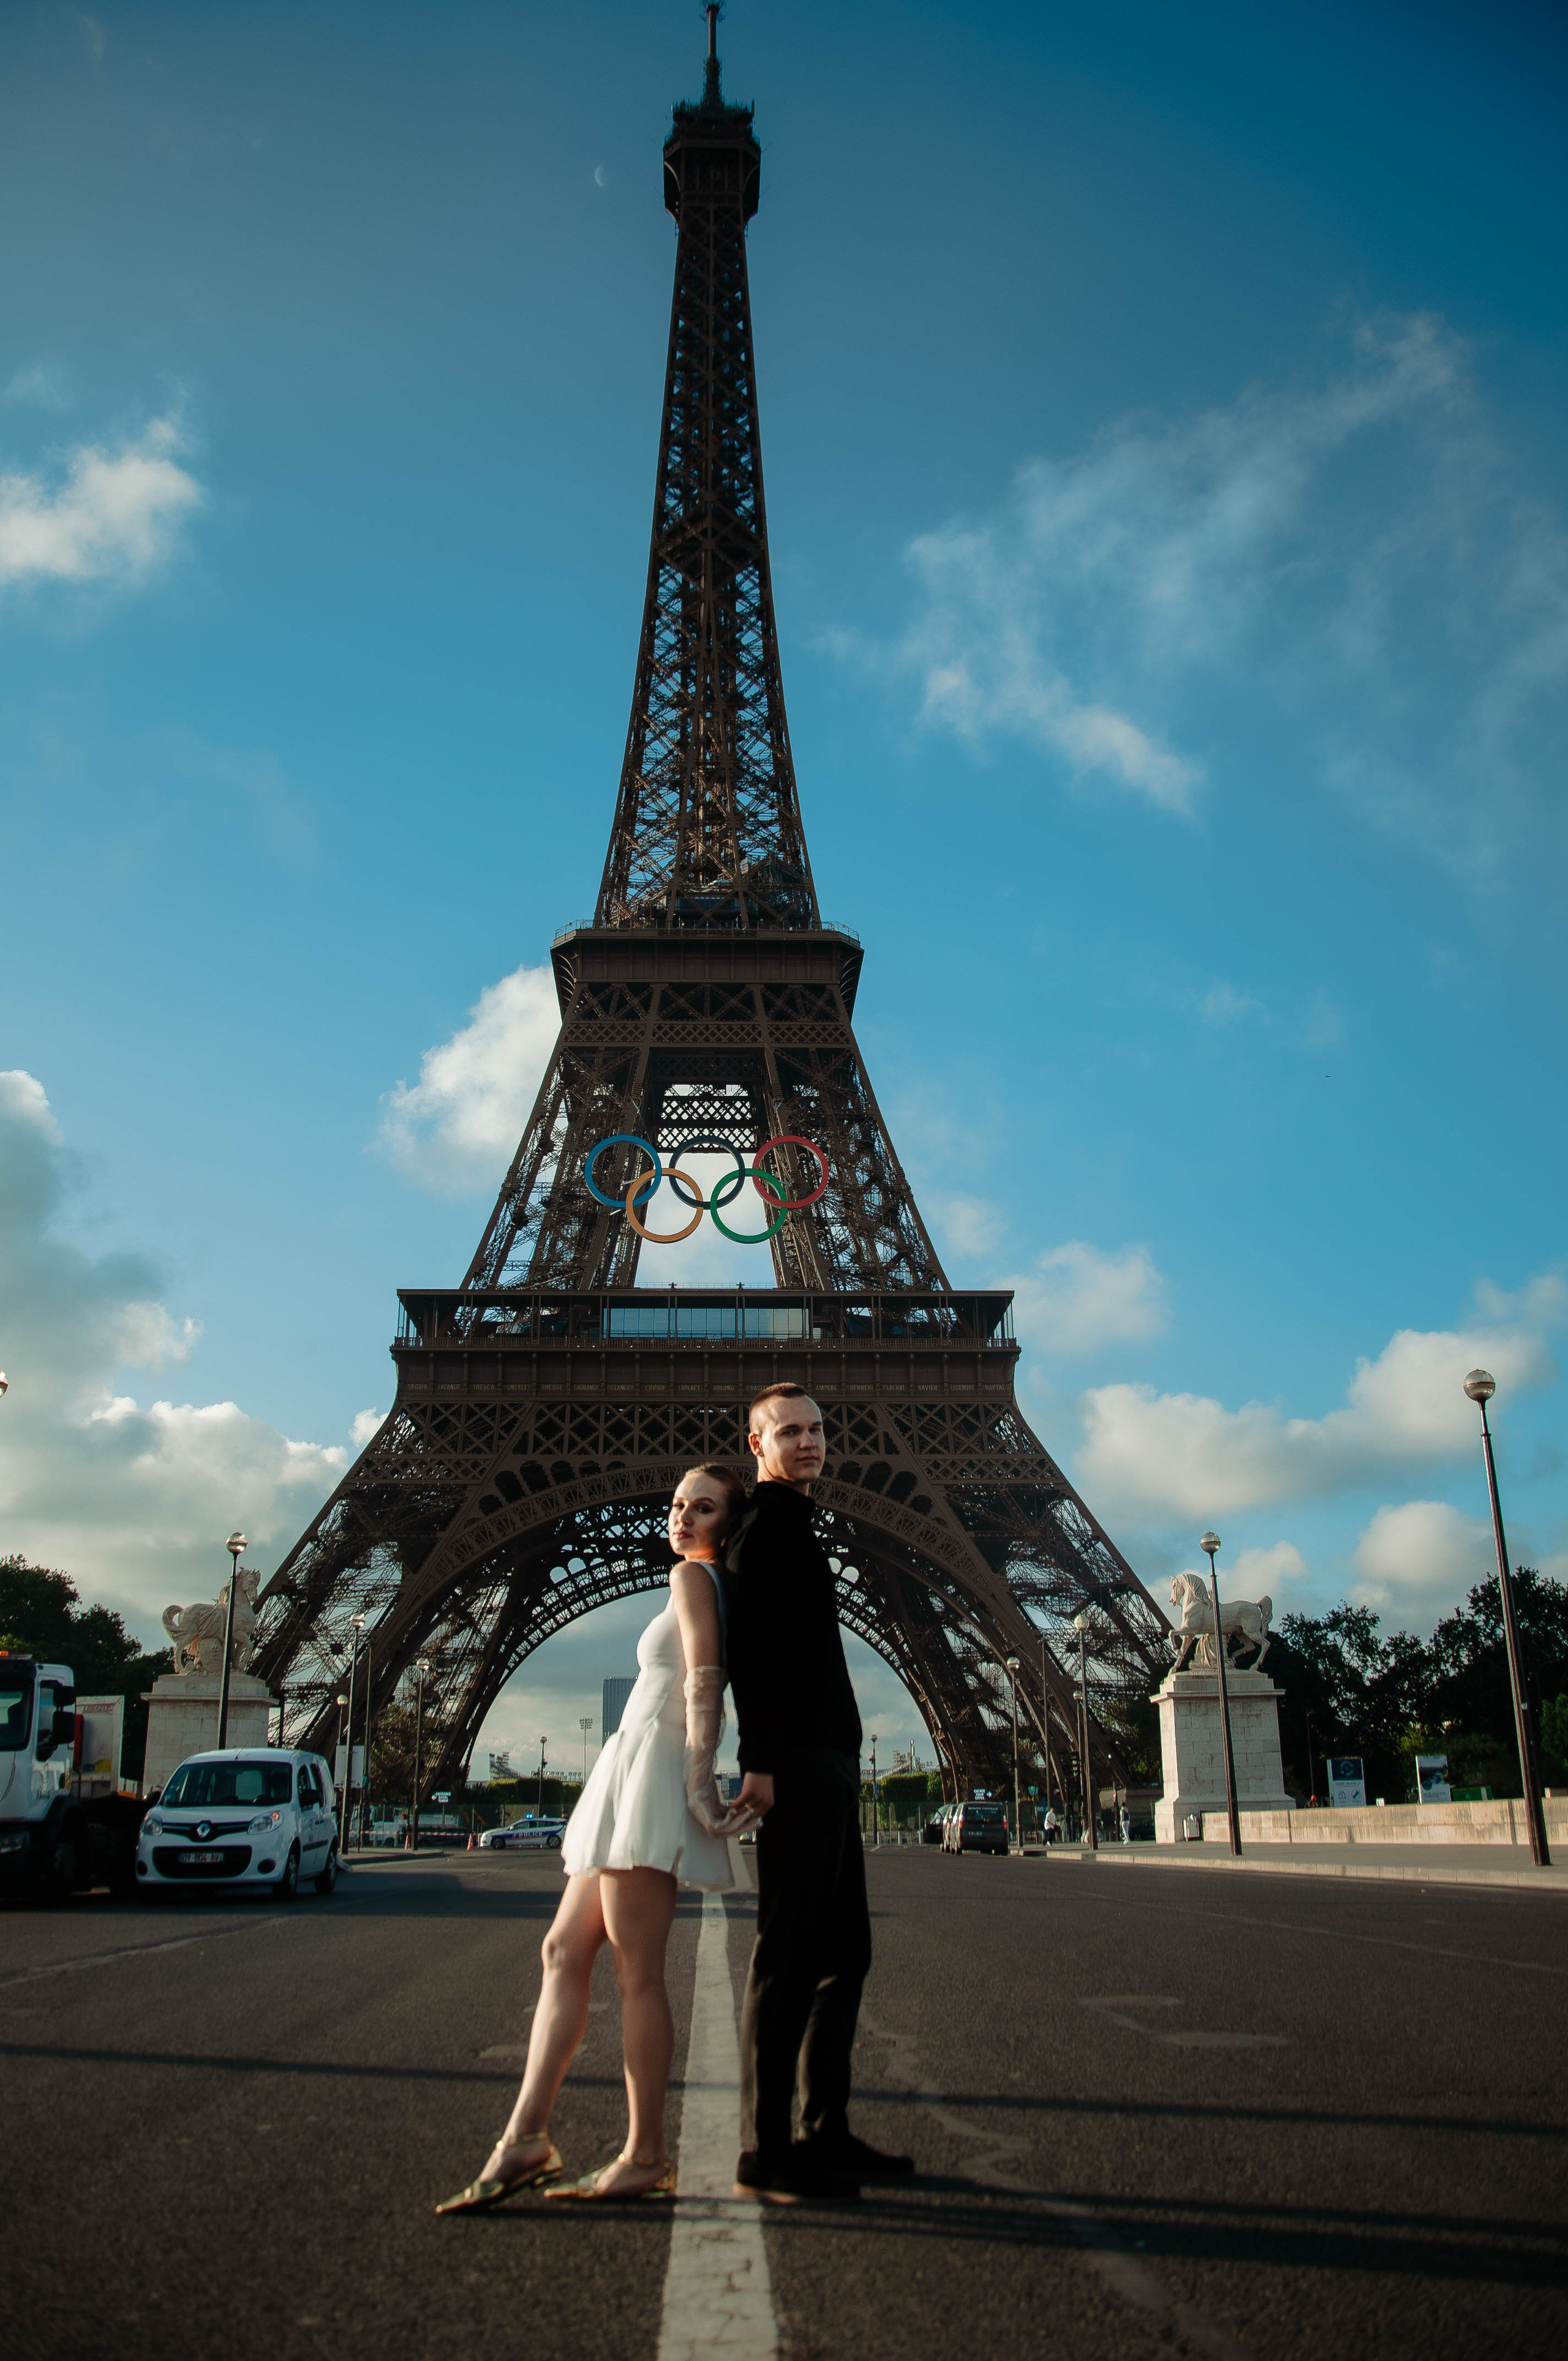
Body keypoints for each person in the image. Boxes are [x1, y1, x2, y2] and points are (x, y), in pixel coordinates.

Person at [435, 1463, 753, 2213]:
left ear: (726, 1523)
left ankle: (644, 2153)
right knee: (562, 1950)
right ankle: (525, 2138)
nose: (681, 1518)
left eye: (702, 1508)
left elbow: (704, 1680)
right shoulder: (703, 1580)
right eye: (677, 1504)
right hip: (631, 1762)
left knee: (636, 1972)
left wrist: (702, 1786)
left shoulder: (695, 1583)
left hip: (652, 1768)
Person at [723, 1382, 914, 2204]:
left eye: (817, 1429)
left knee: (845, 1953)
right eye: (789, 1431)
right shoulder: (765, 1527)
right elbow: (754, 1653)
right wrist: (758, 1757)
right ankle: (767, 2149)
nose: (808, 1442)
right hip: (796, 1760)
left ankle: (823, 2127)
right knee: (790, 1955)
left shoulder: (796, 1523)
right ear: (756, 1444)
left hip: (830, 1756)